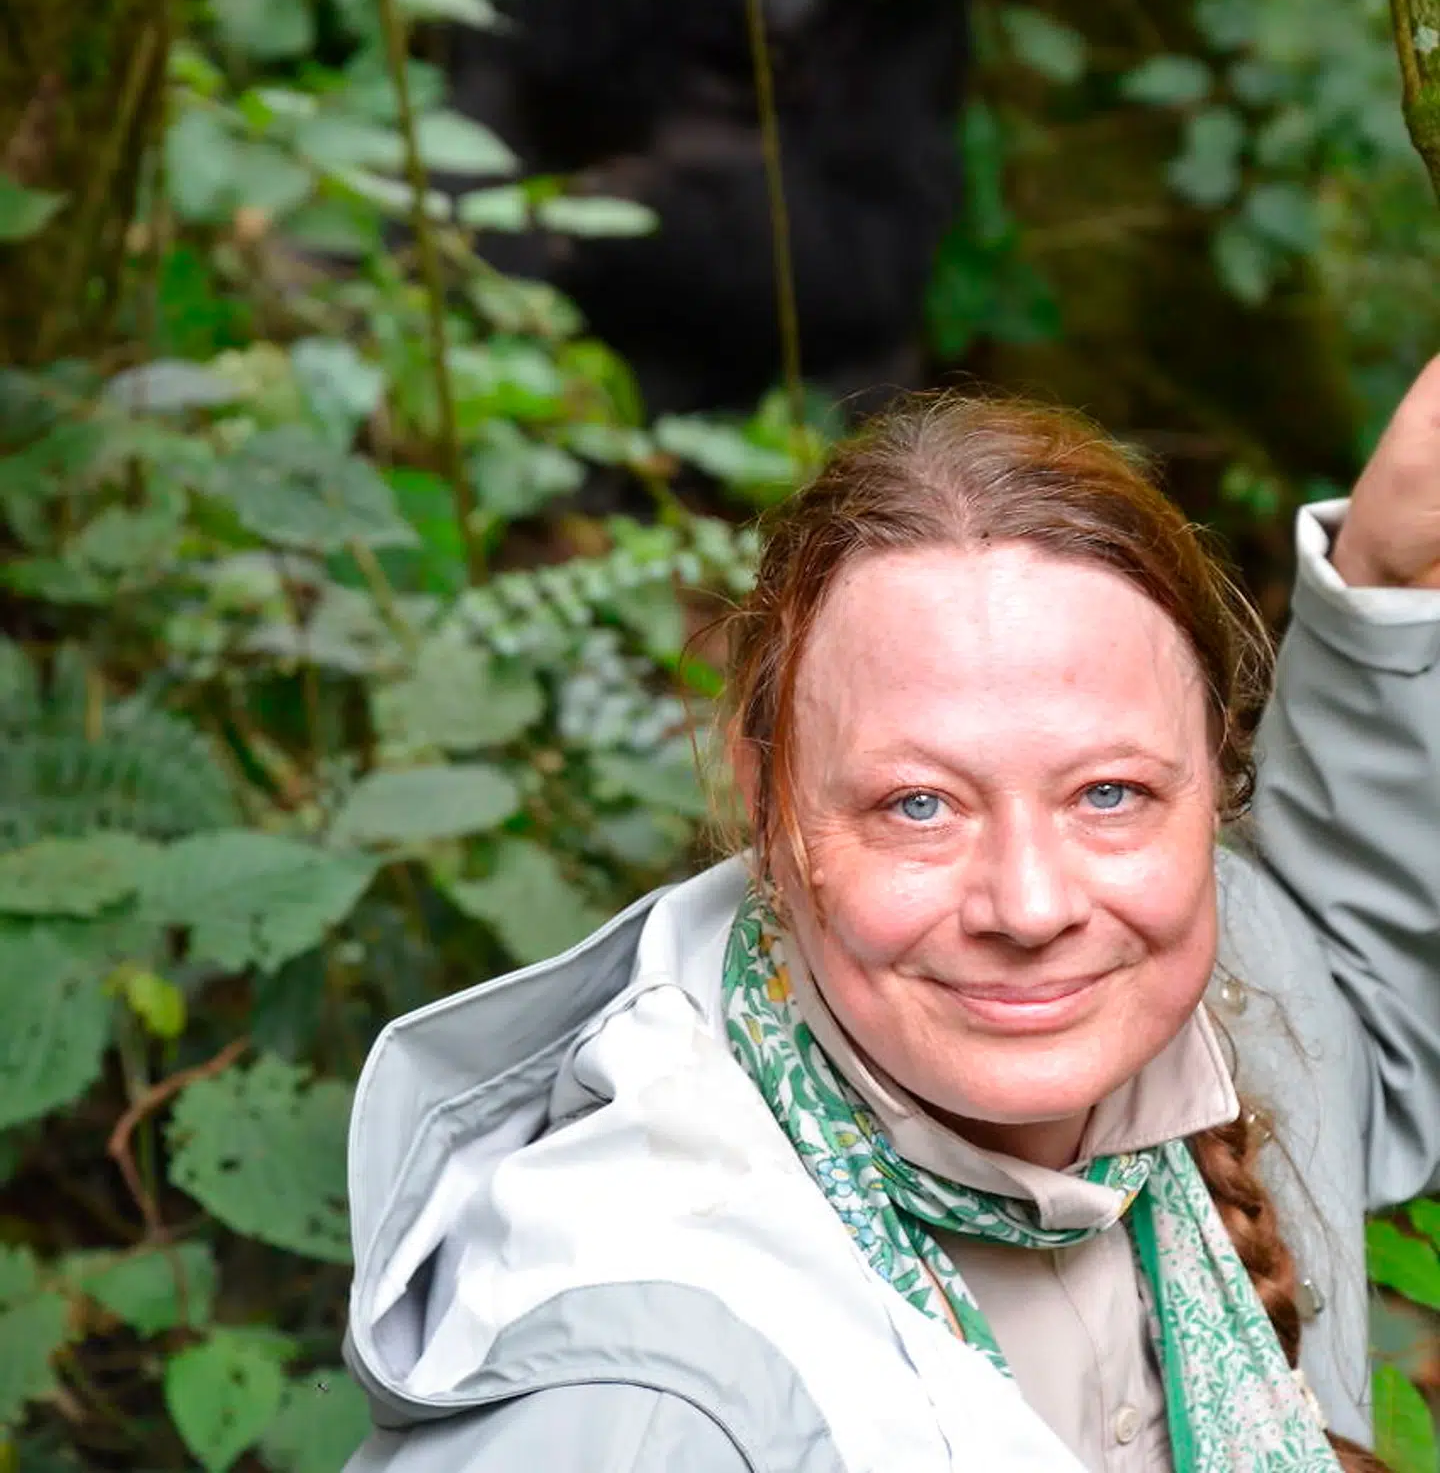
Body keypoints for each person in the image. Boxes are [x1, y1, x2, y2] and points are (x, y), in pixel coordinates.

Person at [341, 361, 1440, 1473]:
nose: (1032, 904)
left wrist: (1386, 583)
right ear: (768, 803)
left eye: (1110, 790)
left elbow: (1346, 1001)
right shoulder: (639, 1414)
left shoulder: (1191, 979)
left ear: (1214, 780)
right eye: (919, 803)